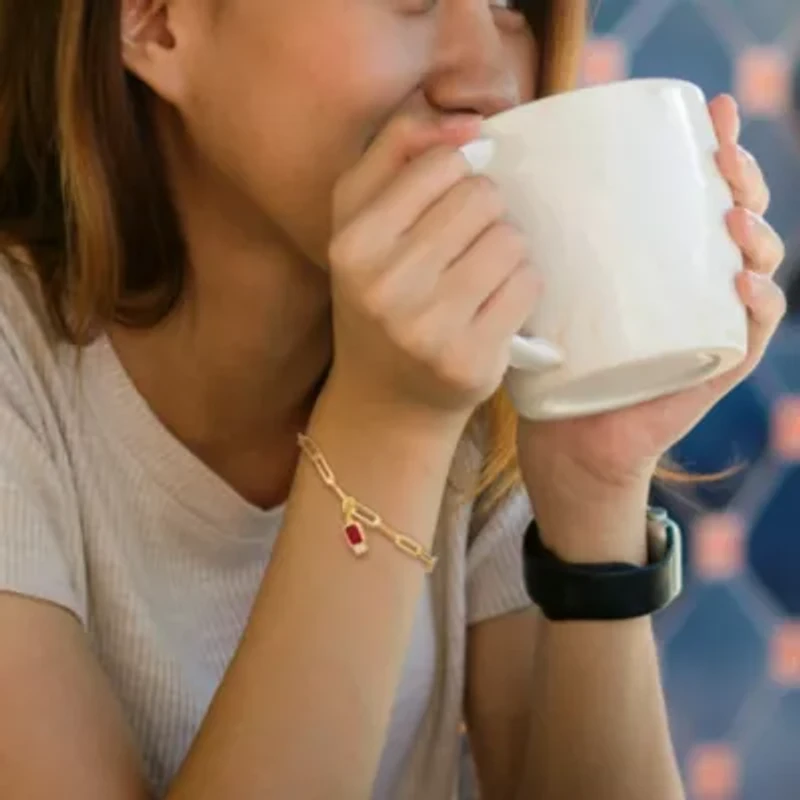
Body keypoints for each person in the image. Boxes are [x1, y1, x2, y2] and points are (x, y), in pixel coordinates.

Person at [0, 1, 785, 799]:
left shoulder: (478, 353)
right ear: (156, 21)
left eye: (511, 5)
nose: (486, 78)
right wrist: (387, 426)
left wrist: (594, 495)